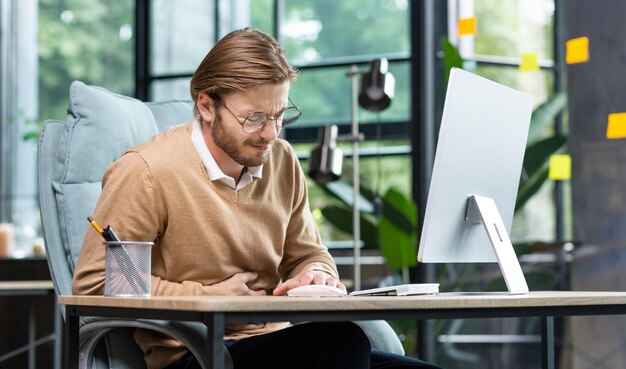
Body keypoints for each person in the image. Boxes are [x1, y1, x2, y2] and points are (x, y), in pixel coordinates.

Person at [72, 28, 443, 369]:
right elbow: (98, 283)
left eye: (280, 116)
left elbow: (309, 253)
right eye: (255, 118)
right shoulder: (147, 173)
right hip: (197, 355)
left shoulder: (281, 161)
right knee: (339, 340)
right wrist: (211, 299)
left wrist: (315, 276)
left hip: (277, 343)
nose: (270, 133)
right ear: (206, 105)